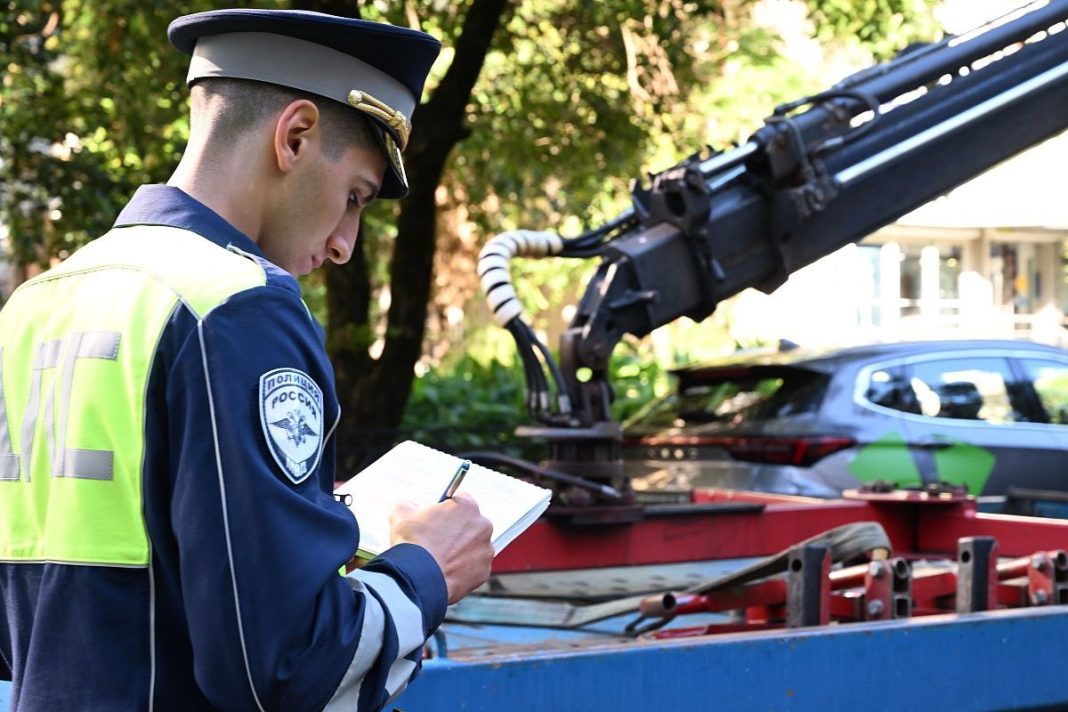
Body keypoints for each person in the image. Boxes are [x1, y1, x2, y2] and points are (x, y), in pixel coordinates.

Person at [0, 8, 495, 711]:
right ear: (294, 136)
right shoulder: (236, 306)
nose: (345, 245)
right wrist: (428, 569)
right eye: (354, 197)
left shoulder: (34, 305)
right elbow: (284, 666)